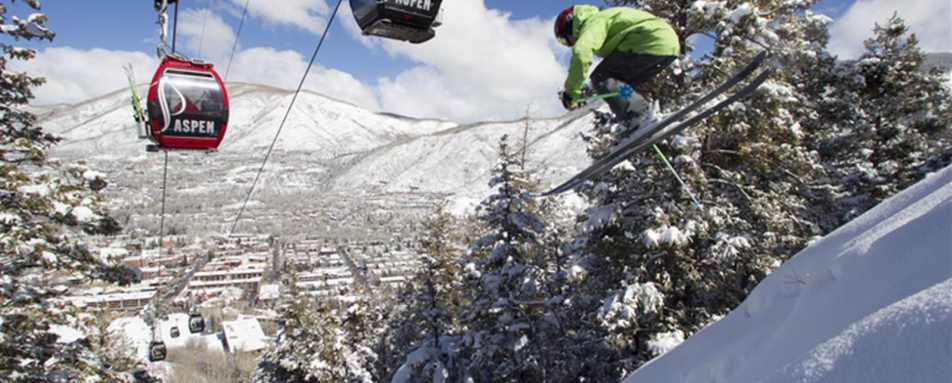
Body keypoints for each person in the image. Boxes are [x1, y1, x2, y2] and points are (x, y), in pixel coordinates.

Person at [555, 4, 680, 128]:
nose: (570, 44)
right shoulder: (605, 18)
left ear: (571, 26)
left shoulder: (594, 21)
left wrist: (571, 93)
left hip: (649, 41)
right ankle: (644, 118)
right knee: (619, 85)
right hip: (668, 48)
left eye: (566, 40)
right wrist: (584, 94)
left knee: (600, 77)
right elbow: (612, 84)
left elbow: (581, 53)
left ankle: (638, 116)